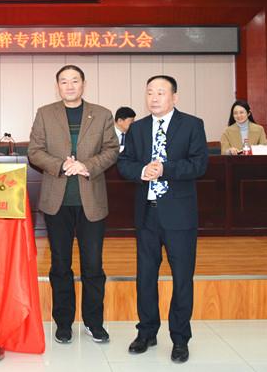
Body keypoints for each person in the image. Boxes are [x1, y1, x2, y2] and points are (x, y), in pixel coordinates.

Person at [116, 75, 208, 364]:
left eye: (160, 92)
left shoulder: (192, 125)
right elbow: (124, 163)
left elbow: (199, 164)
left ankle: (180, 338)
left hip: (179, 215)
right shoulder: (138, 128)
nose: (154, 98)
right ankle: (146, 332)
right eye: (149, 93)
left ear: (174, 97)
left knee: (182, 278)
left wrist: (165, 170)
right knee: (145, 277)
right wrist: (141, 171)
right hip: (147, 214)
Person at [28, 65, 119, 344]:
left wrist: (86, 165)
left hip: (91, 202)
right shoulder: (45, 113)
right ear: (58, 86)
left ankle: (94, 322)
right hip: (57, 203)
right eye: (64, 82)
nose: (69, 86)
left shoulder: (102, 114)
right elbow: (34, 151)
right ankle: (64, 323)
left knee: (93, 265)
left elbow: (112, 150)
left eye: (75, 81)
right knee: (60, 265)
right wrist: (61, 165)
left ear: (83, 84)